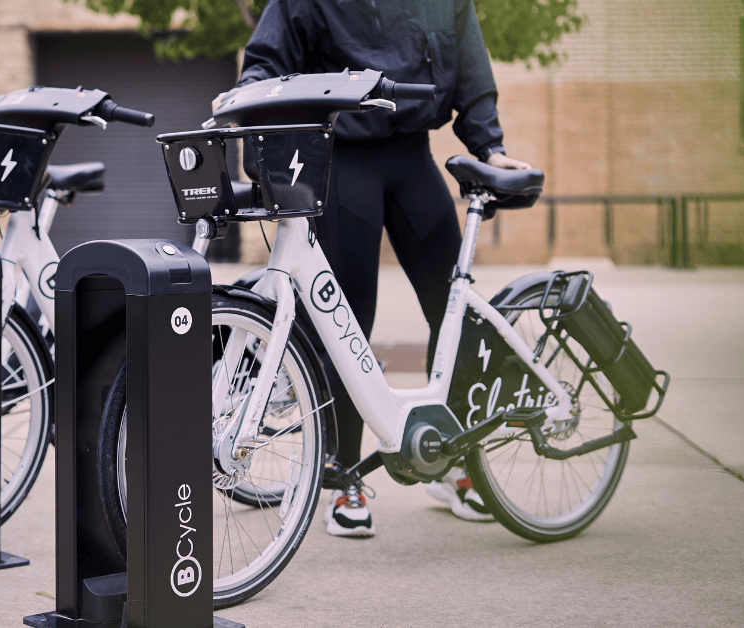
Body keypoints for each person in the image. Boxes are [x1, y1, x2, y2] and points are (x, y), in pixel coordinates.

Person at [224, 0, 534, 537]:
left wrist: (492, 146)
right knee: (348, 323)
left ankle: (454, 461)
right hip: (344, 160)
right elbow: (265, 60)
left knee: (454, 311)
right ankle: (343, 474)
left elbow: (471, 69)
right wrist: (252, 110)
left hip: (413, 157)